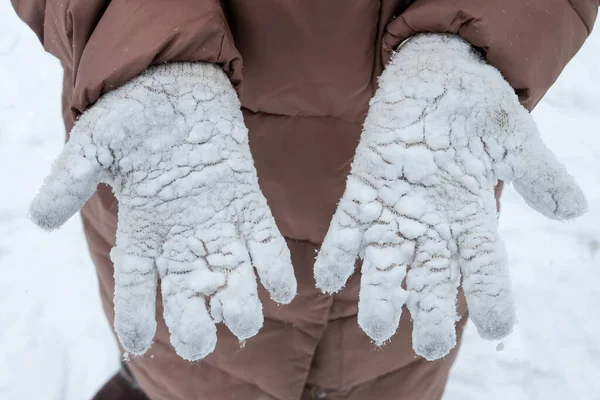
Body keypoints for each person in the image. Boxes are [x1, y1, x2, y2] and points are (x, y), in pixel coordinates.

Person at [10, 1, 598, 399]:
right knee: (186, 374)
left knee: (389, 370)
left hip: (421, 187)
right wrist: (142, 43)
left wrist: (472, 38)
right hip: (179, 180)